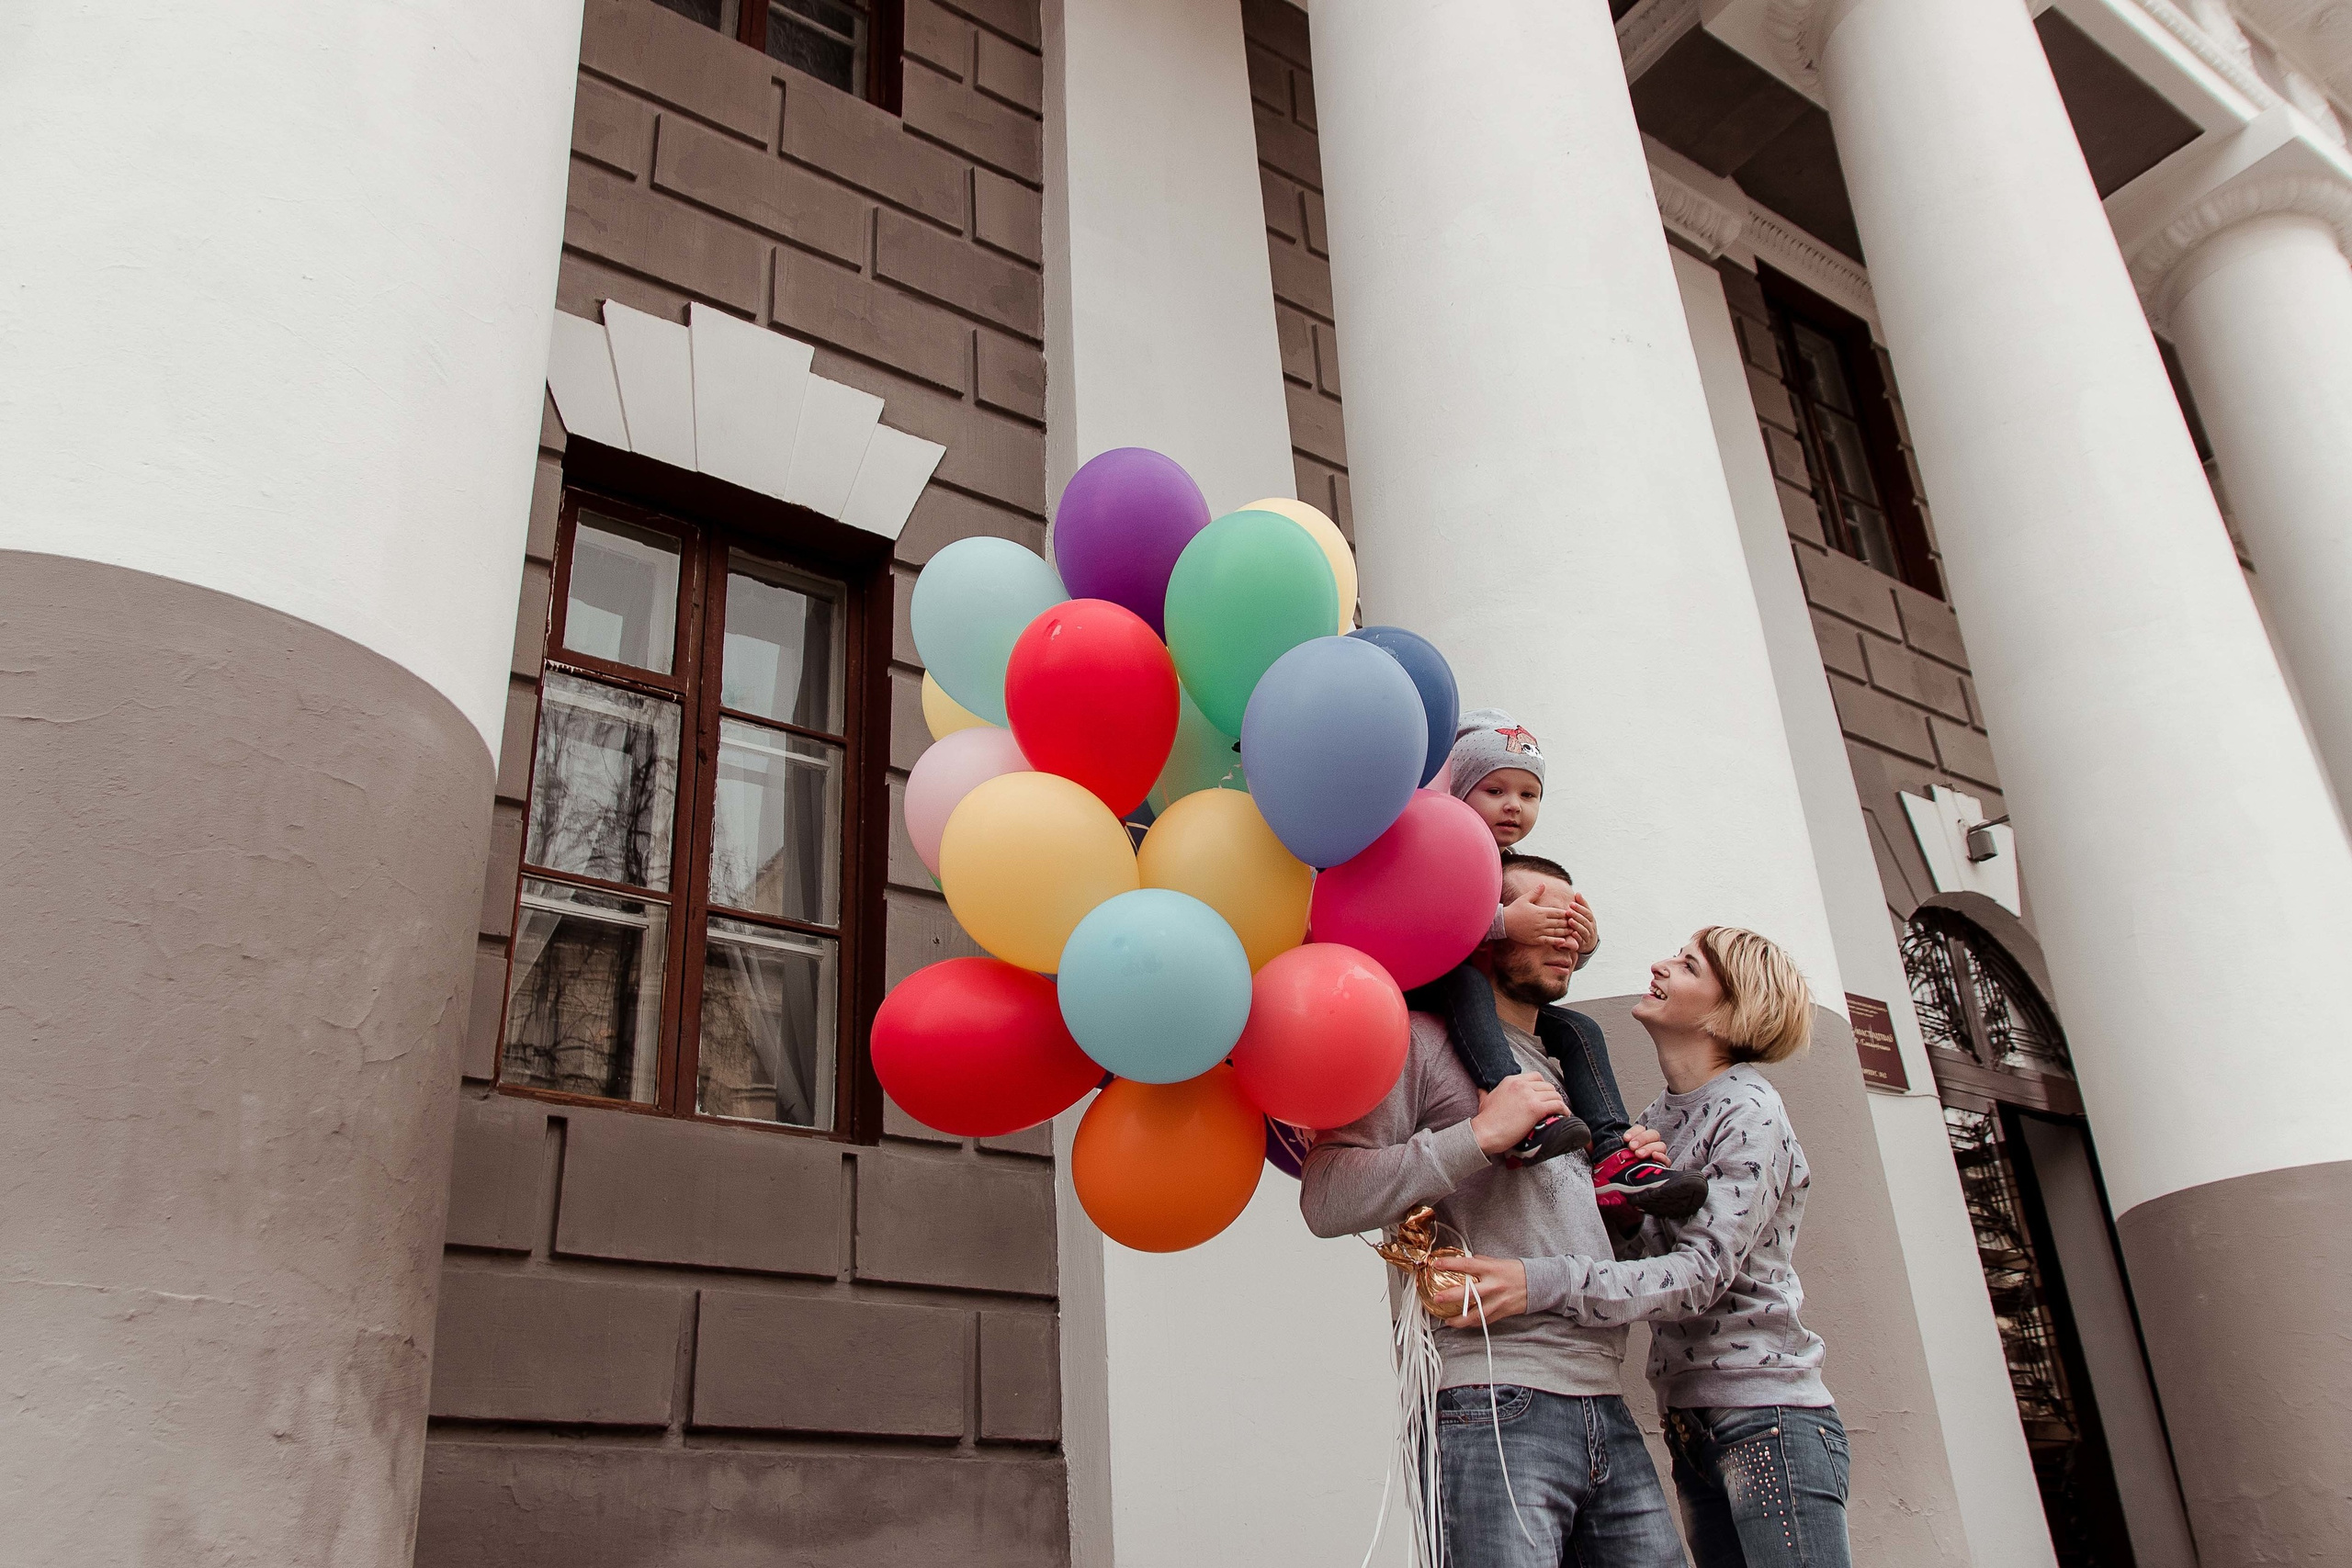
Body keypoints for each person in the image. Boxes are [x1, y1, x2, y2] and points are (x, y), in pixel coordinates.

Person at [1300, 859, 1687, 1568]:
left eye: (1575, 915)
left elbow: (1585, 1238)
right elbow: (1326, 1197)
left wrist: (1624, 1214)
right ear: (1476, 924)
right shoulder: (1416, 1038)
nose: (1564, 929)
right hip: (1488, 1399)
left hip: (1606, 1396)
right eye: (1538, 907)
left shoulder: (1577, 1066)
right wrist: (1478, 1135)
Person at [1431, 927, 1851, 1568]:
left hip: (1769, 1418)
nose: (1658, 965)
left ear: (1727, 1011)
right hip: (1691, 1420)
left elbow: (1696, 1277)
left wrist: (1537, 1279)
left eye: (1687, 965)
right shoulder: (1654, 1119)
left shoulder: (1751, 1112)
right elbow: (1643, 1260)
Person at [1418, 715, 1706, 1218]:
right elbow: (1427, 922)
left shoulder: (1505, 860)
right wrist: (1506, 922)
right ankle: (1510, 1101)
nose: (1513, 805)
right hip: (1426, 981)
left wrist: (1585, 944)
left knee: (1579, 1028)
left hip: (1477, 993)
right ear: (1460, 793)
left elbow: (1532, 943)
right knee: (1465, 979)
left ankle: (1613, 1152)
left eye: (1529, 795)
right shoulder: (1438, 845)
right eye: (1495, 790)